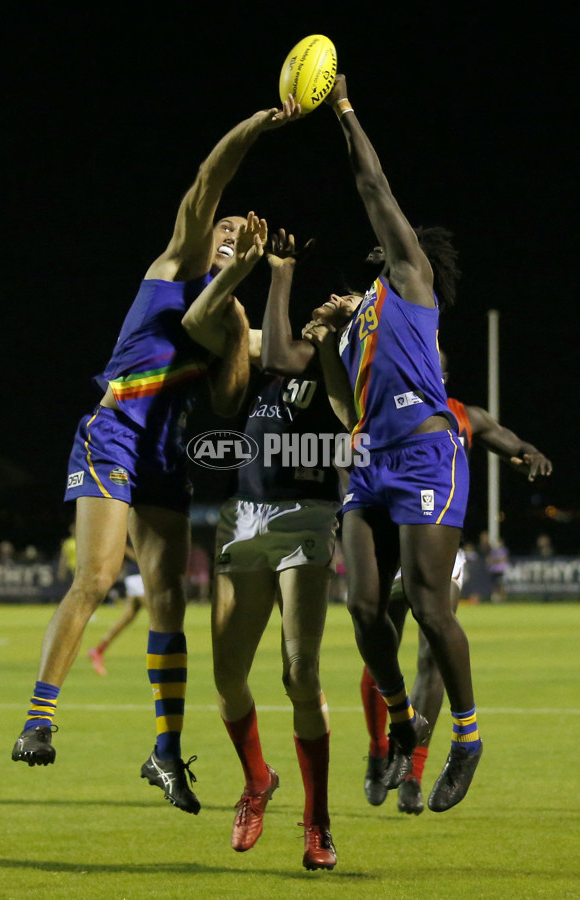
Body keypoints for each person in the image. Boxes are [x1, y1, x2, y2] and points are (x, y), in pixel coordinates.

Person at [11, 96, 301, 820]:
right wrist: (260, 127)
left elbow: (269, 363)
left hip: (164, 457)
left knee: (170, 598)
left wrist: (337, 319)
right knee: (99, 576)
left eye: (239, 229)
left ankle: (166, 752)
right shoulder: (172, 266)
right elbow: (209, 179)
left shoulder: (228, 315)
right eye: (224, 223)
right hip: (113, 434)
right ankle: (39, 718)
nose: (228, 227)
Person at [302, 73, 482, 813]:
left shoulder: (411, 279)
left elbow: (372, 184)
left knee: (433, 607)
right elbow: (344, 408)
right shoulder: (360, 323)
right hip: (369, 459)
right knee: (364, 608)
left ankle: (466, 738)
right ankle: (403, 718)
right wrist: (324, 342)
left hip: (427, 454)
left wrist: (343, 108)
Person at [203, 231, 343, 870]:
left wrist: (286, 280)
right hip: (243, 516)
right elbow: (241, 336)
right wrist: (241, 271)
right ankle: (258, 780)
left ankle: (317, 825)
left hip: (305, 516)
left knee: (300, 672)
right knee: (227, 676)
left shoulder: (330, 357)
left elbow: (291, 355)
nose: (324, 310)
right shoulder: (260, 346)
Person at [362, 373, 552, 813]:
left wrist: (530, 453)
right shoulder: (378, 403)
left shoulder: (464, 416)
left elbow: (508, 441)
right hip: (389, 542)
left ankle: (413, 771)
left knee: (432, 655)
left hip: (438, 545)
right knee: (377, 648)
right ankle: (380, 751)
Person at [87, 540, 146, 676]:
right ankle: (167, 659)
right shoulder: (134, 528)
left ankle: (98, 650)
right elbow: (125, 548)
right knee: (159, 616)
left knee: (128, 617)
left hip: (139, 576)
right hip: (138, 578)